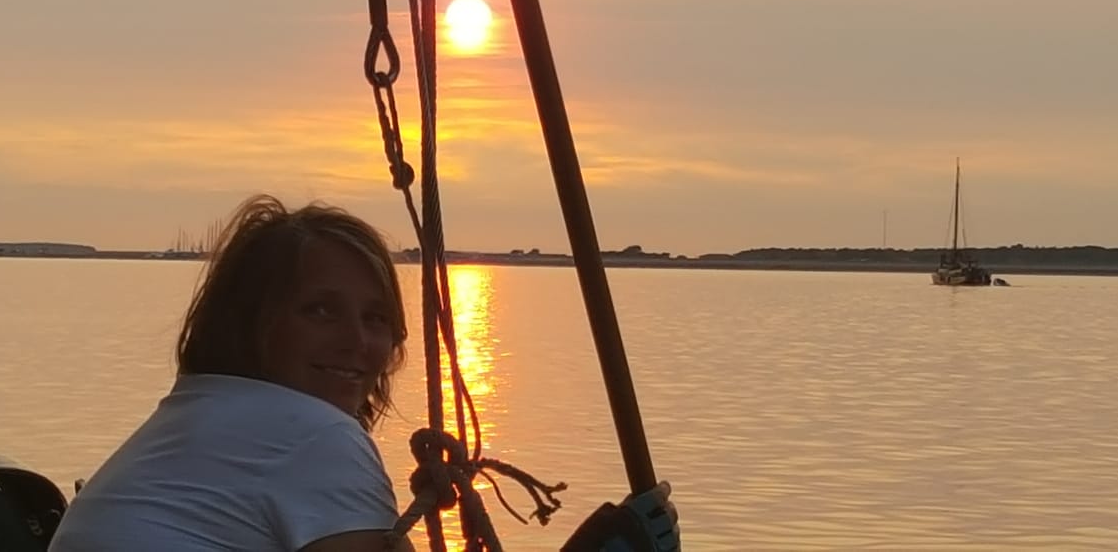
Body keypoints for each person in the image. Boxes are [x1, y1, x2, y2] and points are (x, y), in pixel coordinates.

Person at [49, 194, 679, 551]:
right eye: (320, 310)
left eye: (377, 318)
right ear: (250, 320)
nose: (358, 342)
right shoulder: (308, 436)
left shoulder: (194, 422)